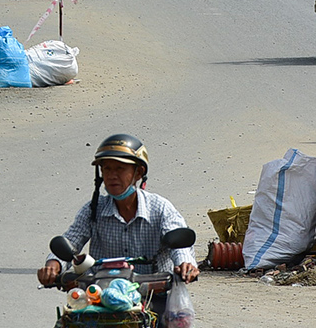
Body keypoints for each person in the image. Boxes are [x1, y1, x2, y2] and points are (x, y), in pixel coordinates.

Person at [36, 134, 198, 327]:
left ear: (138, 173)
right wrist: (53, 266)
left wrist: (185, 265)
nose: (112, 175)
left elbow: (179, 242)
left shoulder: (160, 208)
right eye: (107, 169)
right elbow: (71, 240)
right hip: (99, 299)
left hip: (151, 298)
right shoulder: (93, 209)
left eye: (120, 169)